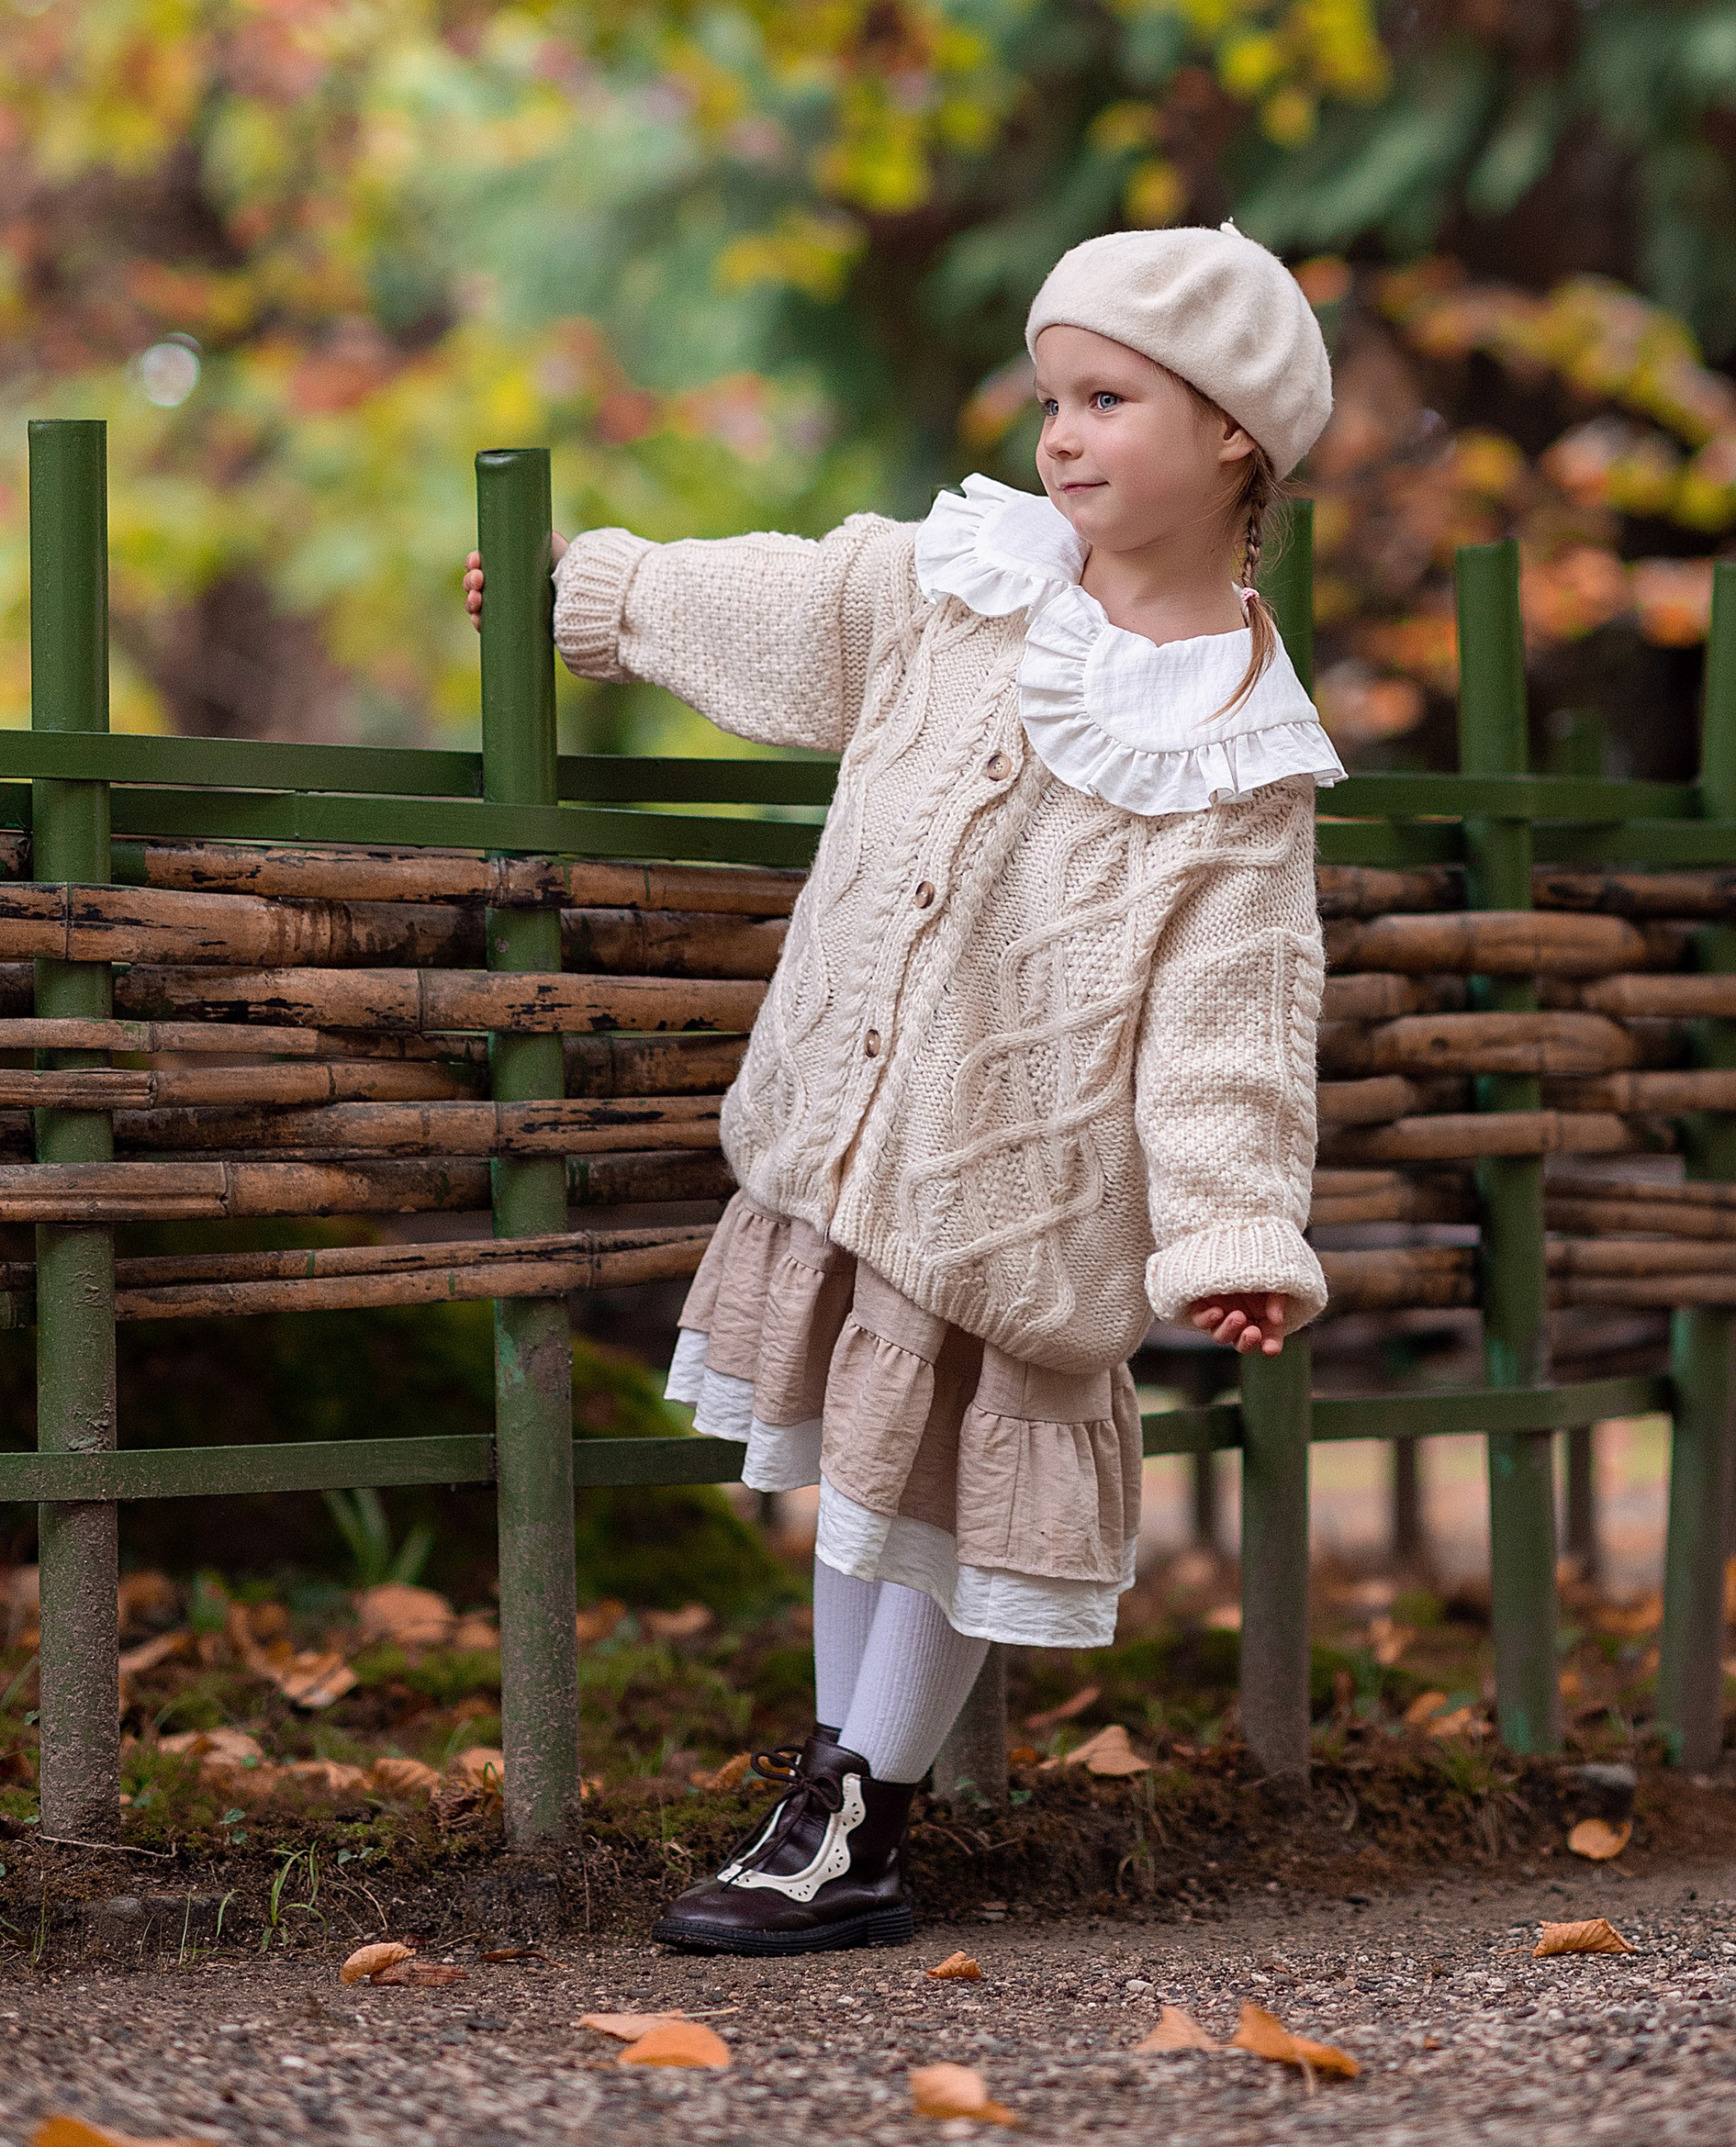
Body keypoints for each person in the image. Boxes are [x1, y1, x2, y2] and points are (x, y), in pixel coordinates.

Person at [463, 222, 1341, 1953]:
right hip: (867, 1140)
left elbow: (1234, 1018)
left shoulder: (1243, 748)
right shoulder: (968, 584)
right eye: (1051, 399)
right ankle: (837, 1794)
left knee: (949, 1491)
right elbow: (792, 598)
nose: (1063, 435)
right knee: (868, 1481)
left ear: (1234, 431)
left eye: (1109, 398)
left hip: (1031, 1194)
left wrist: (1233, 1227)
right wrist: (607, 589)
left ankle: (863, 1808)